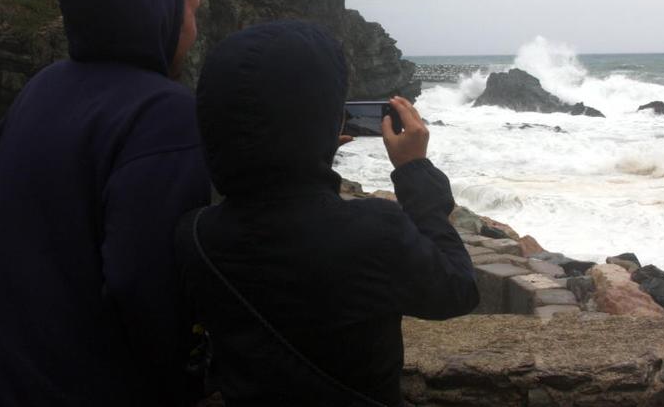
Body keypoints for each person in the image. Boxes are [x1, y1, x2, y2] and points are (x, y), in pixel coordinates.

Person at [177, 20, 479, 406]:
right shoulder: (373, 232)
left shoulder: (196, 236)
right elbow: (458, 289)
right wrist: (413, 171)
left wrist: (312, 158)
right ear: (325, 120)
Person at [0, 0, 211, 406]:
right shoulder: (164, 112)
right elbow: (145, 282)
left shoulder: (39, 89)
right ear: (158, 11)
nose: (195, 29)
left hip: (1, 383)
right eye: (193, 11)